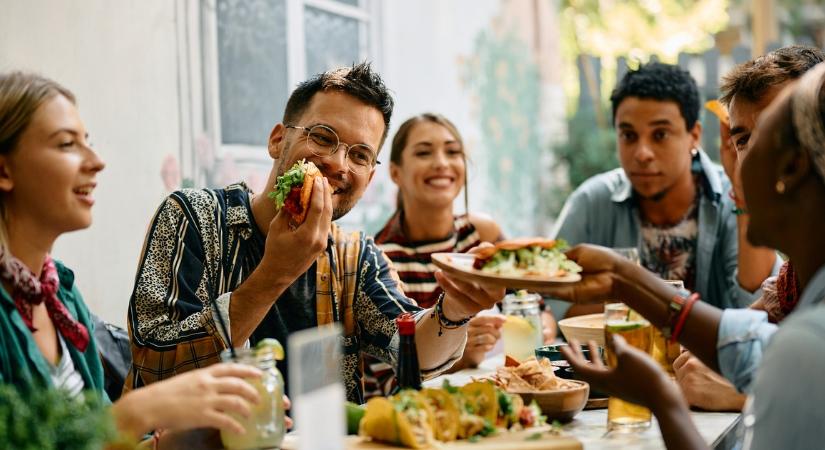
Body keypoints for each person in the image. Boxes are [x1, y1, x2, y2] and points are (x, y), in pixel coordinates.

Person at [125, 63, 506, 404]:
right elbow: (156, 369)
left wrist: (455, 311)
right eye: (323, 137)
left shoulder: (355, 256)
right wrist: (276, 272)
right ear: (278, 140)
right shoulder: (192, 215)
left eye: (359, 155)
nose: (337, 164)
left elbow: (413, 353)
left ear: (369, 177)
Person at [544, 62, 825, 449]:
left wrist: (662, 399)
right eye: (738, 140)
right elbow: (748, 344)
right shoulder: (798, 288)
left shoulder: (808, 345)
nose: (734, 166)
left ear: (792, 166)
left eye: (753, 143)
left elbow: (775, 357)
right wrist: (623, 277)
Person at [0, 71, 276, 445]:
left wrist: (177, 440)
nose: (97, 162)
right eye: (67, 144)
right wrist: (138, 411)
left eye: (89, 142)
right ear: (4, 169)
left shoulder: (61, 297)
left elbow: (90, 443)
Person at [549, 62, 779, 320]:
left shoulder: (731, 200)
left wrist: (743, 194)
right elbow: (551, 301)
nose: (642, 153)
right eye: (628, 135)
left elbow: (758, 308)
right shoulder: (592, 201)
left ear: (694, 135)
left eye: (660, 135)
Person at [675, 45, 824, 412]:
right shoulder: (796, 276)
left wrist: (750, 394)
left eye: (777, 130)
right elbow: (736, 333)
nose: (751, 160)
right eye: (742, 140)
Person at [362, 113, 529, 397]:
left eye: (452, 152)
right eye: (424, 153)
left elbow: (534, 307)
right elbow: (385, 386)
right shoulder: (379, 258)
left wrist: (527, 326)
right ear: (395, 173)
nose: (441, 163)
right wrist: (460, 353)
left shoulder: (482, 234)